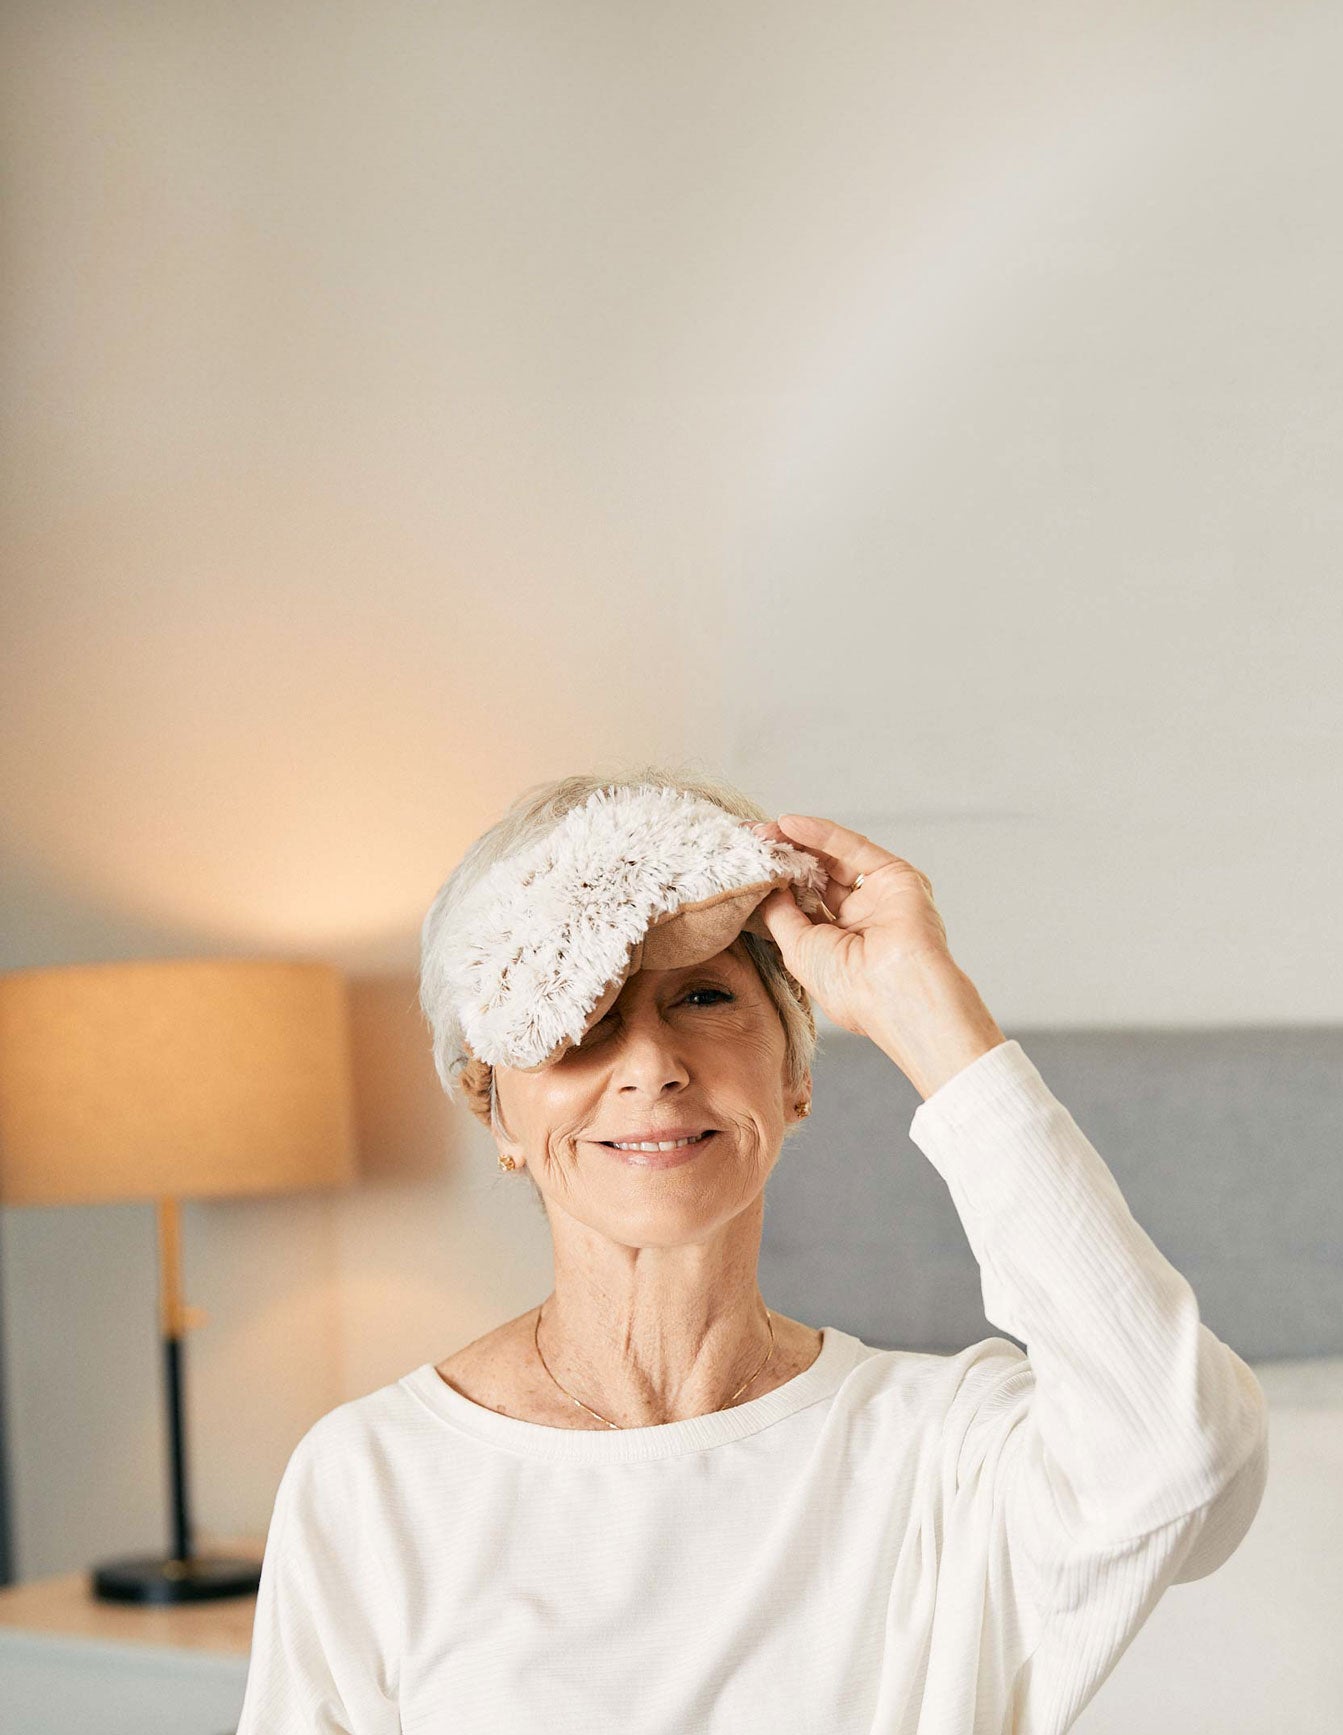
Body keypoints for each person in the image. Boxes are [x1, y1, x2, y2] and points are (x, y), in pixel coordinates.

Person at [235, 766, 1269, 1735]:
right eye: (582, 1017)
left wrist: (922, 1006)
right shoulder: (375, 1477)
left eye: (702, 996)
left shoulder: (941, 1455)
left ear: (794, 1074)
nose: (649, 1065)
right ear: (493, 1103)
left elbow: (1181, 1451)